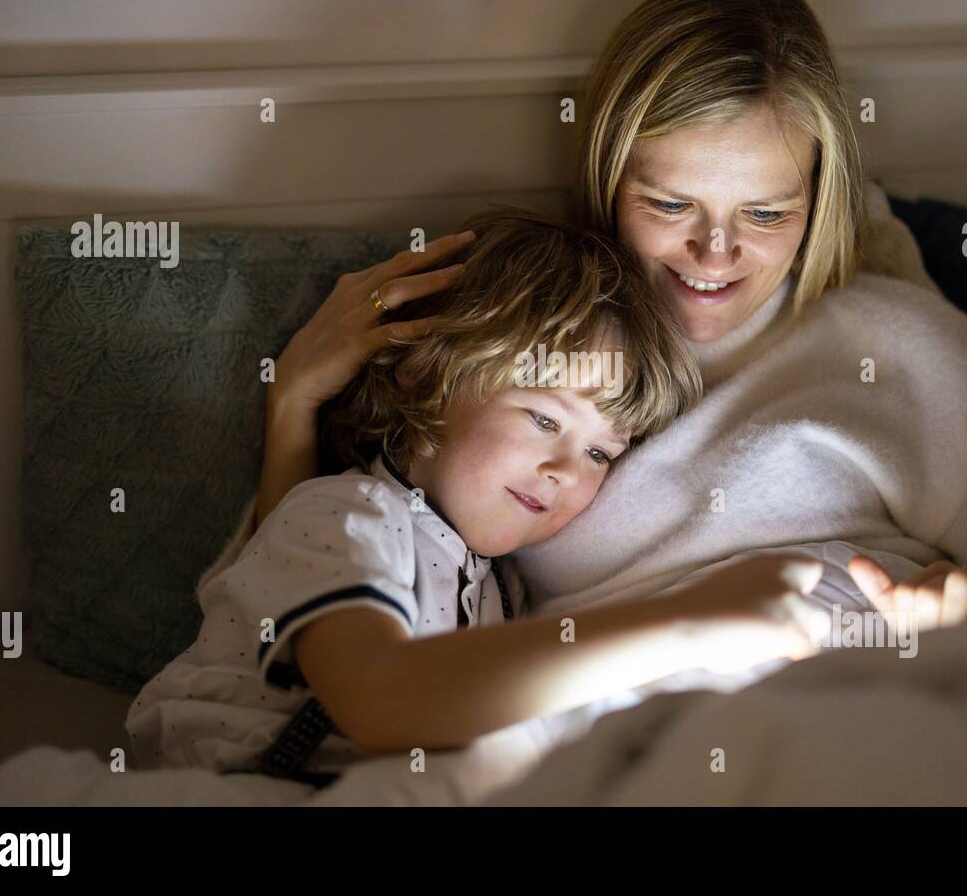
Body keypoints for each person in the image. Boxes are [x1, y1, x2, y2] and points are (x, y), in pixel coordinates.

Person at [249, 0, 967, 693]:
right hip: (644, 718)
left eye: (766, 210)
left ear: (817, 201)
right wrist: (293, 404)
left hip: (887, 681)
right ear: (604, 174)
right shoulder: (519, 336)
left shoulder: (900, 346)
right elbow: (323, 577)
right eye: (670, 203)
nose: (716, 252)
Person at [126, 207, 838, 784]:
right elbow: (381, 698)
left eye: (600, 452)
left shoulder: (499, 584)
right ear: (424, 378)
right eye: (543, 418)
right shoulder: (345, 516)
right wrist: (688, 624)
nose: (567, 469)